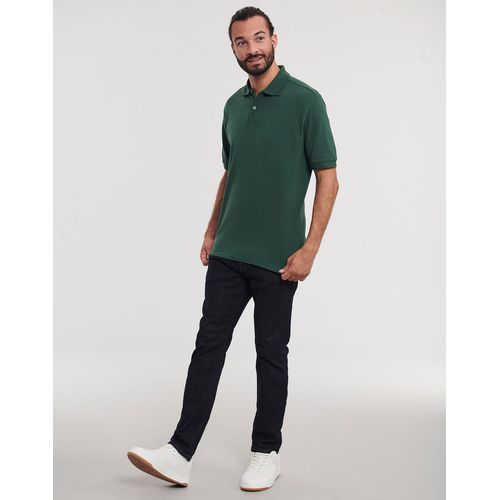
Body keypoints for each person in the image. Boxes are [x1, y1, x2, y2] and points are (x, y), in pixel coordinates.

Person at [127, 5, 340, 492]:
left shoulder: (307, 102)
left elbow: (328, 178)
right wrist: (210, 231)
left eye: (259, 38)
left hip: (279, 259)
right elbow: (232, 173)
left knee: (271, 354)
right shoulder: (232, 107)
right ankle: (179, 453)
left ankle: (266, 452)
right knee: (208, 347)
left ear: (274, 40)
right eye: (242, 42)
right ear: (233, 49)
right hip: (228, 251)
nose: (252, 49)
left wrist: (310, 249)